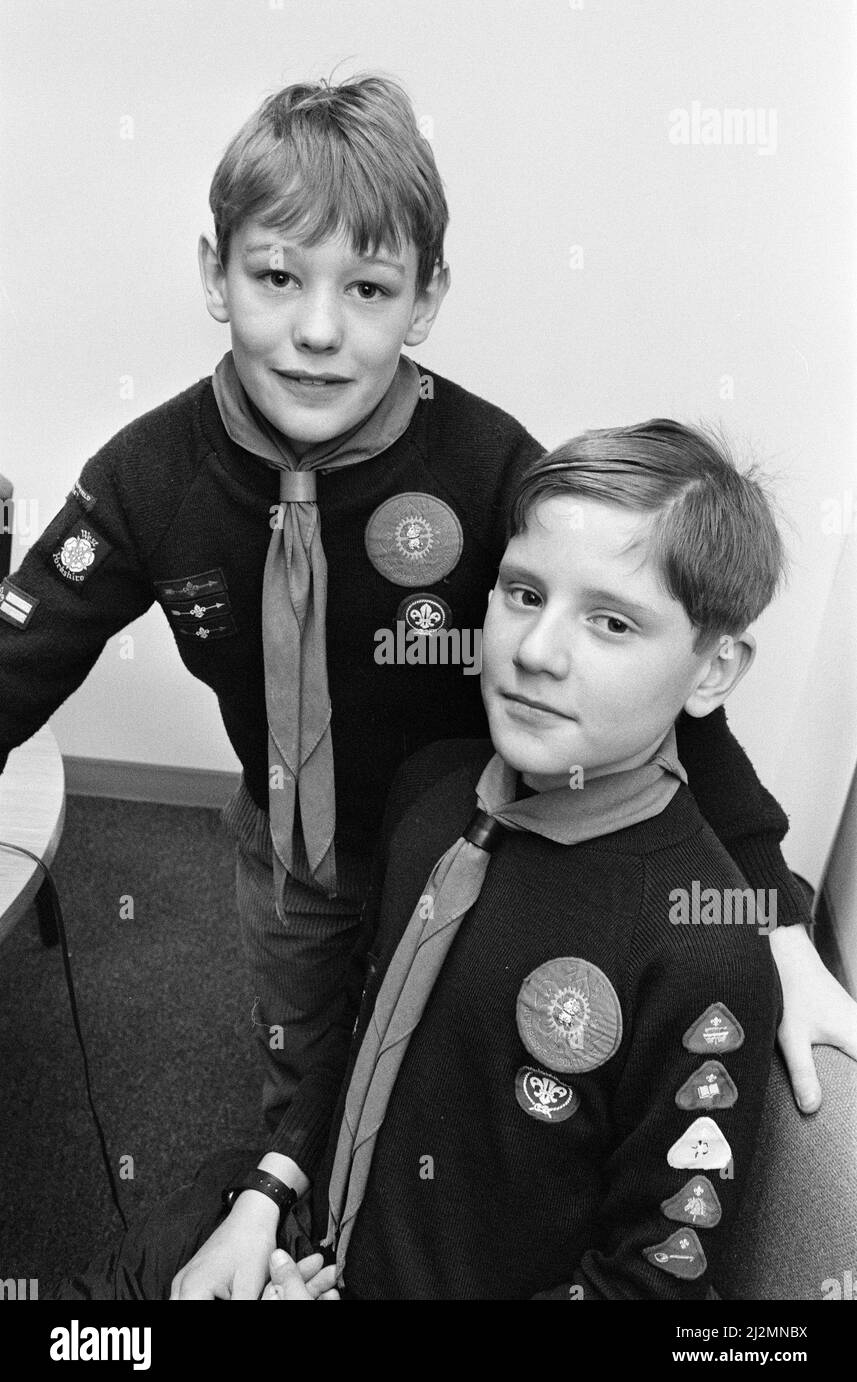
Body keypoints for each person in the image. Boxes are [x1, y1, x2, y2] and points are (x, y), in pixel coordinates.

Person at [0, 77, 852, 1175]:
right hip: (291, 854)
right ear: (215, 275)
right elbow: (19, 656)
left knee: (442, 1075)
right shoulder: (147, 476)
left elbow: (662, 688)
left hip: (480, 843)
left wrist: (774, 917)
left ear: (426, 299)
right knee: (300, 1050)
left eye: (368, 288)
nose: (317, 331)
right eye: (275, 277)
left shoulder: (487, 465)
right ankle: (291, 1195)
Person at [56, 421, 798, 1299]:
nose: (534, 652)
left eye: (610, 622)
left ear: (712, 672)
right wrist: (264, 1195)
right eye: (523, 594)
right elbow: (359, 1022)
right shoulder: (432, 793)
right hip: (293, 1227)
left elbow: (652, 1281)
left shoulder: (703, 952)